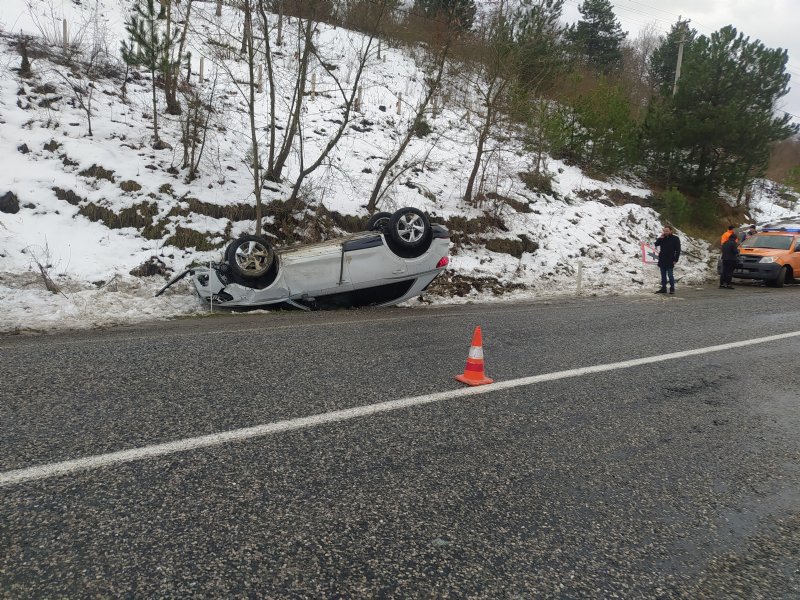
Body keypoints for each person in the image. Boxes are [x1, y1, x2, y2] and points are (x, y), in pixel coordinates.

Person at [654, 225, 681, 294]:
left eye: (667, 231)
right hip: (662, 259)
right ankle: (663, 289)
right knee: (663, 275)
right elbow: (656, 244)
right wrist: (660, 238)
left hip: (670, 259)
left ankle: (672, 289)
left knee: (670, 275)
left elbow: (678, 250)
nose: (665, 232)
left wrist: (676, 259)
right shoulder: (662, 238)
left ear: (671, 231)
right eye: (664, 231)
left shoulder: (675, 238)